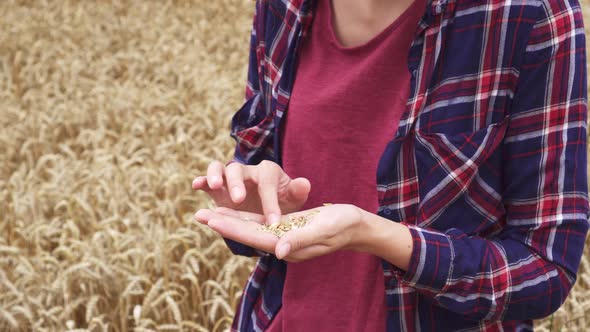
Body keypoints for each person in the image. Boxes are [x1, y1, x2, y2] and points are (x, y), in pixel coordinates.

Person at [192, 0, 589, 330]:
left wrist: (375, 234)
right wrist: (260, 205)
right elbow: (262, 168)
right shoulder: (283, 8)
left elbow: (545, 268)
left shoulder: (528, 16)